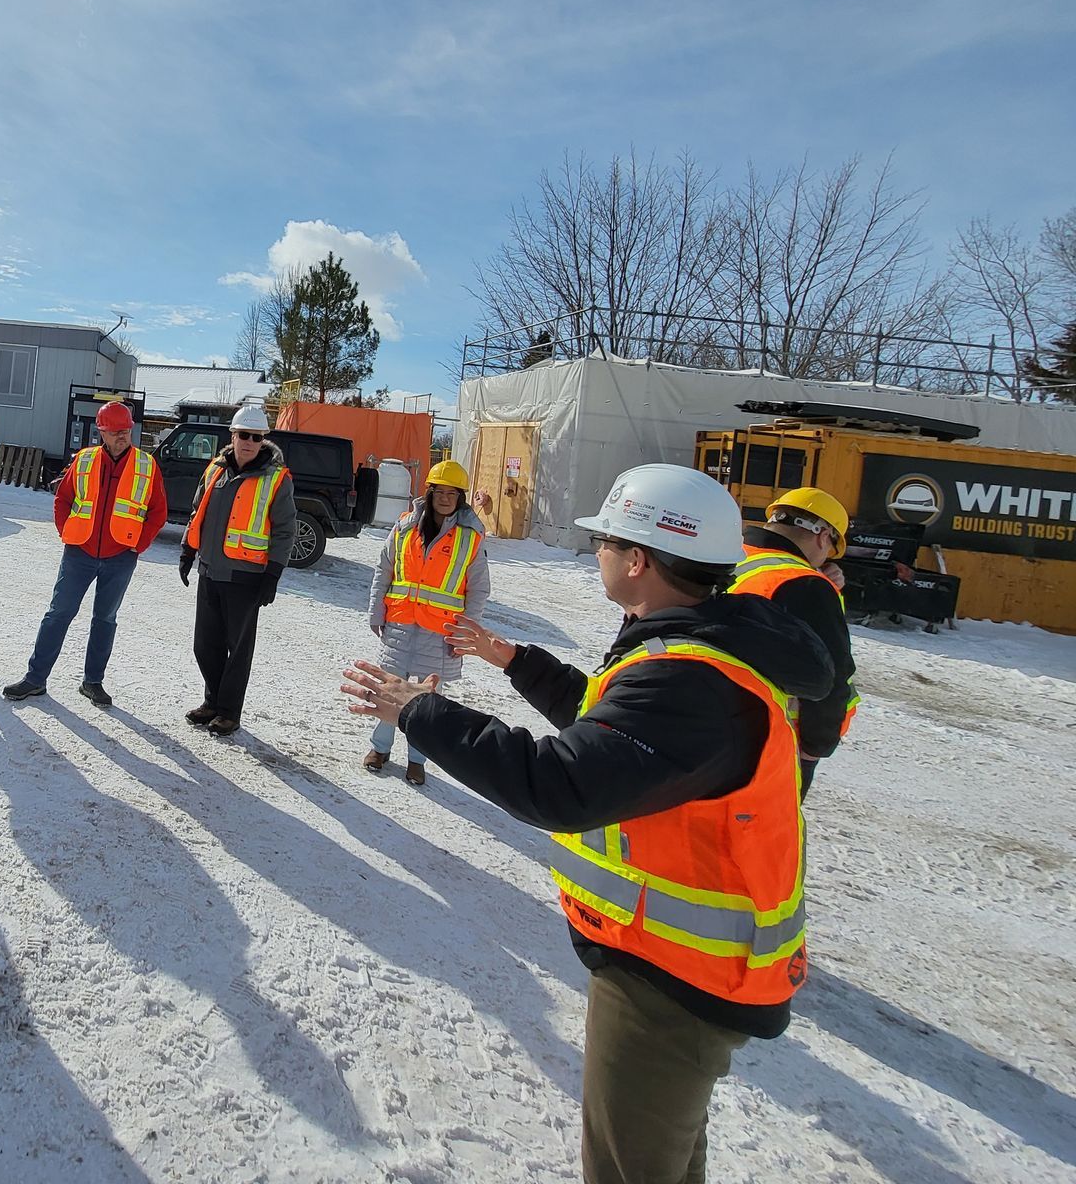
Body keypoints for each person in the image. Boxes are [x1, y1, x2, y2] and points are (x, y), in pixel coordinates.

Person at [343, 463, 832, 1184]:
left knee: (628, 1170)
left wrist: (420, 710)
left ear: (637, 559)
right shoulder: (702, 643)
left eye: (605, 540)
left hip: (674, 982)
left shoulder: (691, 679)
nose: (599, 552)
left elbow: (560, 782)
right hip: (675, 965)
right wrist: (515, 660)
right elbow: (609, 728)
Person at [2, 399, 167, 708]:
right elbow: (63, 498)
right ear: (101, 432)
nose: (121, 436)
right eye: (114, 431)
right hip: (80, 551)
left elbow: (158, 512)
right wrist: (66, 531)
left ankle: (93, 682)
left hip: (120, 556)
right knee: (58, 613)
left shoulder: (146, 466)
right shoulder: (85, 460)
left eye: (126, 431)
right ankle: (35, 679)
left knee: (105, 618)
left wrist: (138, 544)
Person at [361, 458, 489, 787]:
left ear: (460, 497)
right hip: (400, 625)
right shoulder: (404, 526)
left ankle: (417, 760)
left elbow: (478, 590)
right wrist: (377, 610)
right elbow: (384, 569)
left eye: (453, 493)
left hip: (440, 632)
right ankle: (380, 749)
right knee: (389, 691)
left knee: (427, 700)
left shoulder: (470, 537)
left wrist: (465, 633)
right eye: (439, 491)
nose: (445, 498)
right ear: (429, 493)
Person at [730, 486, 860, 796]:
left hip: (712, 718)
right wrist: (816, 746)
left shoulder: (728, 556)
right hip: (772, 742)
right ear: (822, 535)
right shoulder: (805, 585)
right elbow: (830, 676)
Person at [179, 402, 296, 737]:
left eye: (256, 437)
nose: (249, 441)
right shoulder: (216, 469)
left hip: (247, 577)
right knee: (205, 644)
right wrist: (188, 550)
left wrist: (272, 574)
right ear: (232, 435)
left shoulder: (276, 480)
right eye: (244, 434)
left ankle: (229, 711)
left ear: (263, 440)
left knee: (238, 648)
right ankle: (213, 701)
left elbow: (285, 530)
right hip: (211, 570)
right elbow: (196, 510)